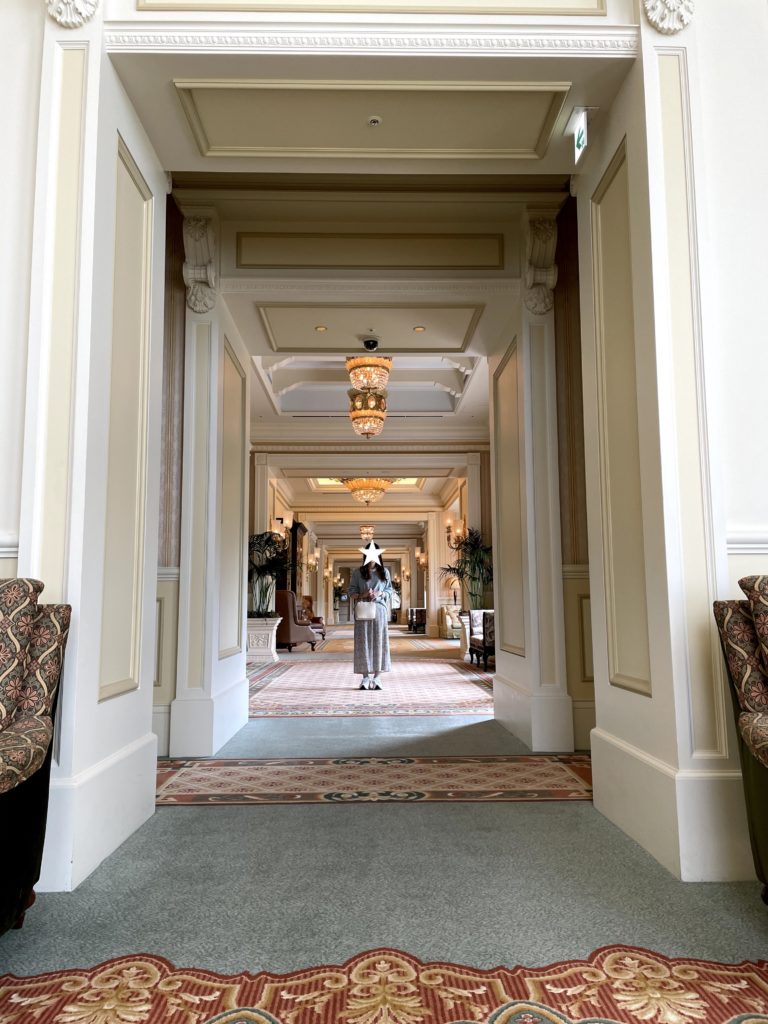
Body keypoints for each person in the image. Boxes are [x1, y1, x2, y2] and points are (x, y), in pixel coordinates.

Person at [348, 559, 392, 690]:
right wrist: (363, 594)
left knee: (379, 643)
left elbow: (389, 590)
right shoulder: (357, 572)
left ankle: (377, 677)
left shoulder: (384, 572)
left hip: (379, 611)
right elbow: (351, 592)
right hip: (363, 610)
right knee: (363, 643)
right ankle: (365, 678)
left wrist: (380, 593)